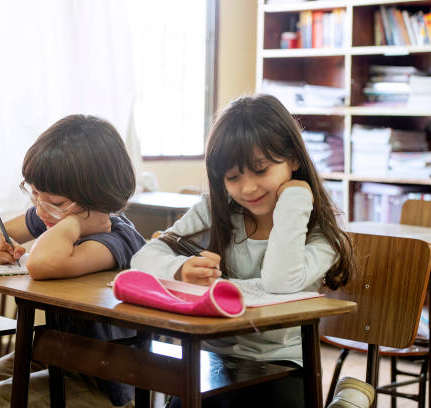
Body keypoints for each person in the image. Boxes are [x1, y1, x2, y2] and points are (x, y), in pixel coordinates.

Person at [130, 94, 355, 408]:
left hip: (283, 366)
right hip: (213, 360)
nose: (247, 188)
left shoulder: (319, 235)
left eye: (261, 170)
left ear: (293, 158)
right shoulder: (217, 211)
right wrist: (181, 269)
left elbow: (279, 281)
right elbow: (142, 258)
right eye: (233, 177)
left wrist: (295, 199)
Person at [0, 114, 146, 408]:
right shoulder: (57, 213)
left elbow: (42, 263)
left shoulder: (115, 239)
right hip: (56, 355)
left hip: (107, 378)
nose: (41, 210)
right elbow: (1, 230)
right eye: (34, 194)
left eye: (55, 203)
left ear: (98, 197)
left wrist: (73, 224)